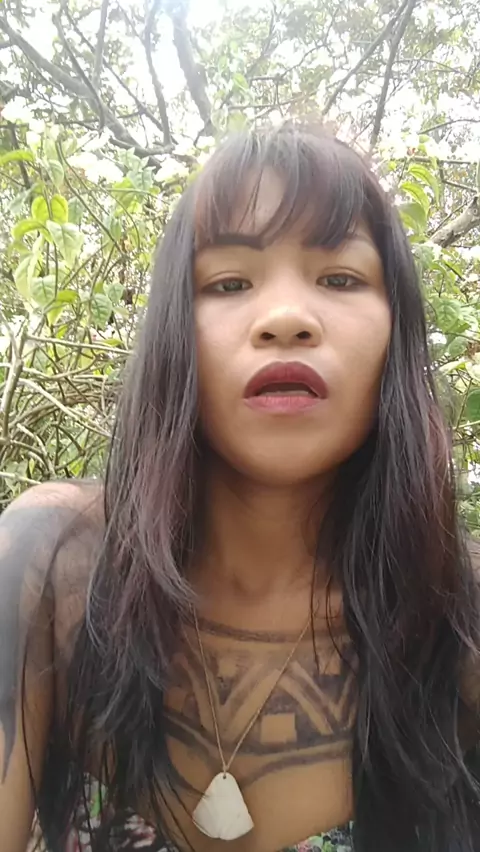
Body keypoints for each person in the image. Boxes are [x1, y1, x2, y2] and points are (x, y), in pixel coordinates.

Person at [1, 123, 480, 852]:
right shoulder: (47, 569)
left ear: (398, 330)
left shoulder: (460, 614)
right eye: (228, 283)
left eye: (340, 278)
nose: (286, 318)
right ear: (173, 332)